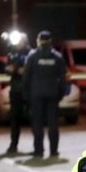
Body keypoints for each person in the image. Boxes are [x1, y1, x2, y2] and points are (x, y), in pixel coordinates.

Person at [22, 30, 67, 163]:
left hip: (36, 95)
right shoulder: (57, 57)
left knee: (37, 124)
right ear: (50, 41)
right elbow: (62, 80)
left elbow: (26, 78)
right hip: (52, 95)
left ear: (39, 40)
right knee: (53, 124)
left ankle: (39, 151)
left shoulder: (32, 56)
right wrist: (59, 95)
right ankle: (53, 151)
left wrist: (27, 96)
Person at [5, 34, 29, 155]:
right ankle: (13, 145)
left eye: (20, 41)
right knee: (14, 119)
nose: (18, 44)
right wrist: (15, 70)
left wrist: (15, 70)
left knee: (35, 119)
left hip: (29, 91)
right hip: (15, 91)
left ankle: (38, 148)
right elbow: (7, 69)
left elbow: (27, 70)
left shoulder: (31, 54)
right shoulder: (12, 54)